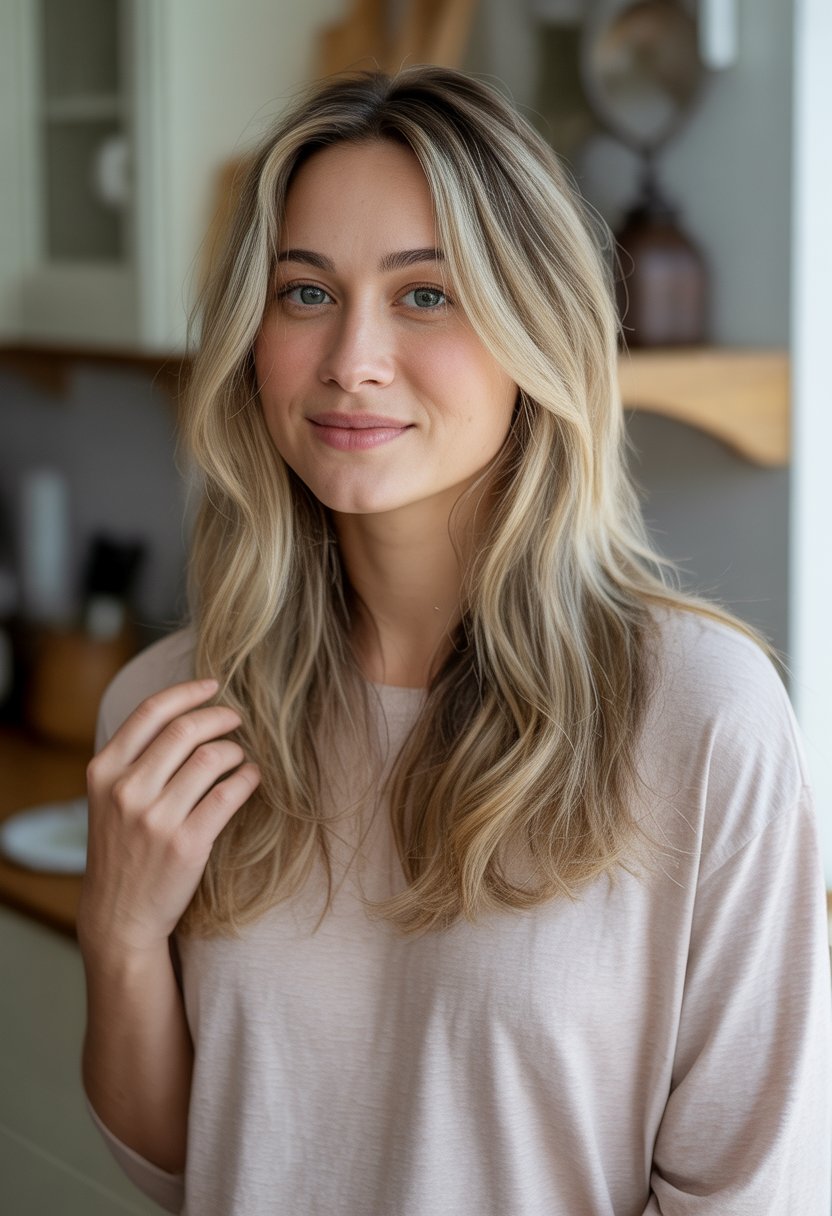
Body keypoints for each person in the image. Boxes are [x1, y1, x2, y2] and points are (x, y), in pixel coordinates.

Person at [78, 67, 831, 1215]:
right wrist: (121, 938)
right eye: (304, 293)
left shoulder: (704, 717)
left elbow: (747, 1192)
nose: (351, 359)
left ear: (536, 327)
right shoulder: (171, 706)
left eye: (426, 295)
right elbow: (189, 1165)